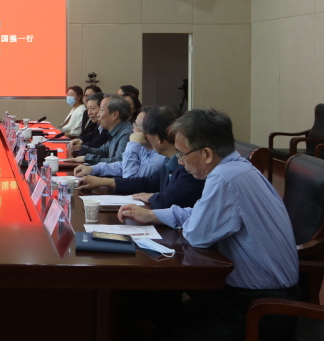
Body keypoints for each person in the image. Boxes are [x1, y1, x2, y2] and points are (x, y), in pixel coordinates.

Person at [118, 108, 299, 341]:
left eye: (181, 154)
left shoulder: (224, 178)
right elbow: (201, 213)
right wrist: (155, 216)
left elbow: (197, 234)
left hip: (259, 308)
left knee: (162, 320)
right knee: (162, 316)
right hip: (250, 295)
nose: (179, 162)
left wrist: (167, 217)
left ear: (206, 154)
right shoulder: (237, 168)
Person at [78, 106, 204, 209]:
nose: (135, 131)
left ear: (158, 138)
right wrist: (104, 182)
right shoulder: (169, 159)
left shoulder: (187, 165)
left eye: (143, 130)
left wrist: (152, 197)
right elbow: (149, 182)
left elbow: (167, 200)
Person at [73, 108, 165, 179]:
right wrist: (94, 169)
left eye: (136, 126)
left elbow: (130, 177)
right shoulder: (144, 148)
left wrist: (133, 144)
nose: (133, 129)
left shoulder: (160, 157)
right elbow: (123, 165)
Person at [66, 94, 132, 164]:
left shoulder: (126, 134)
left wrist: (86, 158)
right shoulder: (114, 130)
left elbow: (118, 163)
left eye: (101, 110)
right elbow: (102, 151)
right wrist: (80, 148)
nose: (98, 115)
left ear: (114, 114)